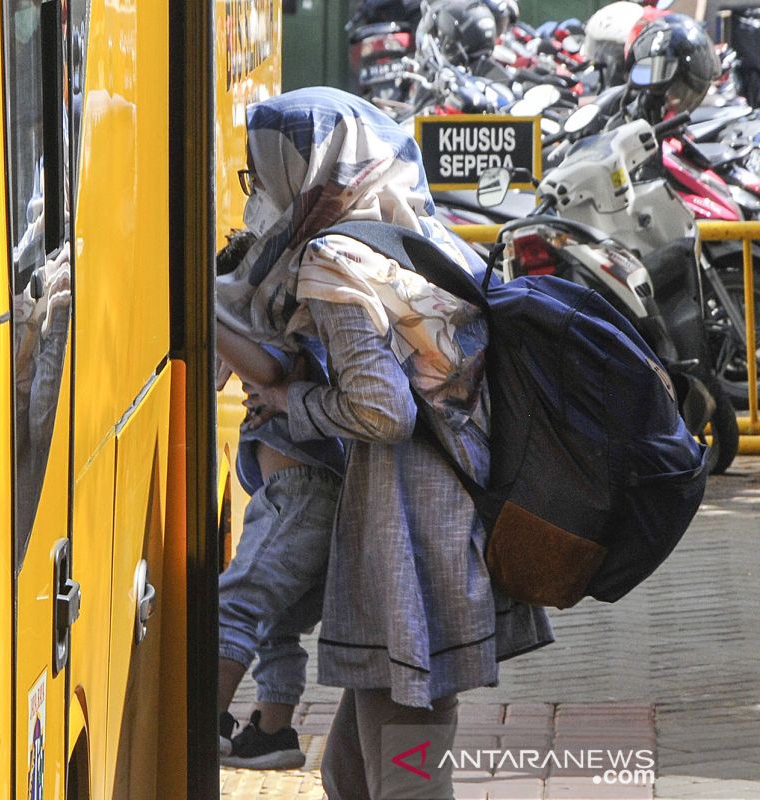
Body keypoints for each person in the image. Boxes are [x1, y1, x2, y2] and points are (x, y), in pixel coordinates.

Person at [216, 86, 554, 798]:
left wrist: (287, 400)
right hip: (442, 517)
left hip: (412, 534)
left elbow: (381, 409)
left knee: (404, 768)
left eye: (264, 170)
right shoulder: (413, 234)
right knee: (353, 769)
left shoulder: (339, 262)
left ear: (306, 167)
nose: (261, 189)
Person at [214, 229, 346, 769]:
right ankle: (272, 732)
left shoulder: (286, 327)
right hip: (298, 497)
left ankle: (206, 717)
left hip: (299, 498)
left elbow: (265, 371)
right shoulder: (299, 325)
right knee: (277, 625)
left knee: (232, 604)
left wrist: (201, 312)